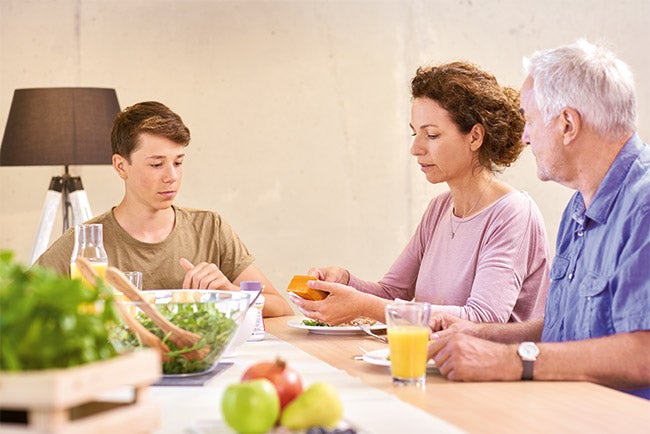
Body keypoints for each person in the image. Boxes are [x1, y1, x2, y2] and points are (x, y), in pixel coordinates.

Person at [427, 40, 650, 400]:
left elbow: (643, 354)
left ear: (567, 124)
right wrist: (480, 334)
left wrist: (511, 361)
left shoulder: (644, 207)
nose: (525, 137)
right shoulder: (579, 206)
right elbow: (568, 332)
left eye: (529, 120)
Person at [290, 62, 550, 325]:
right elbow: (391, 293)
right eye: (415, 133)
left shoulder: (512, 213)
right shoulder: (440, 208)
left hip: (491, 365)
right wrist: (345, 282)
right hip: (434, 362)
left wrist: (364, 306)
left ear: (475, 137)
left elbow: (483, 319)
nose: (416, 148)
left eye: (432, 135)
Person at [35, 101, 293, 318]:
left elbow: (281, 309)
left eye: (178, 162)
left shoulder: (210, 228)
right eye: (157, 164)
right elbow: (16, 308)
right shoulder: (87, 243)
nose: (172, 177)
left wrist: (230, 294)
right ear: (121, 166)